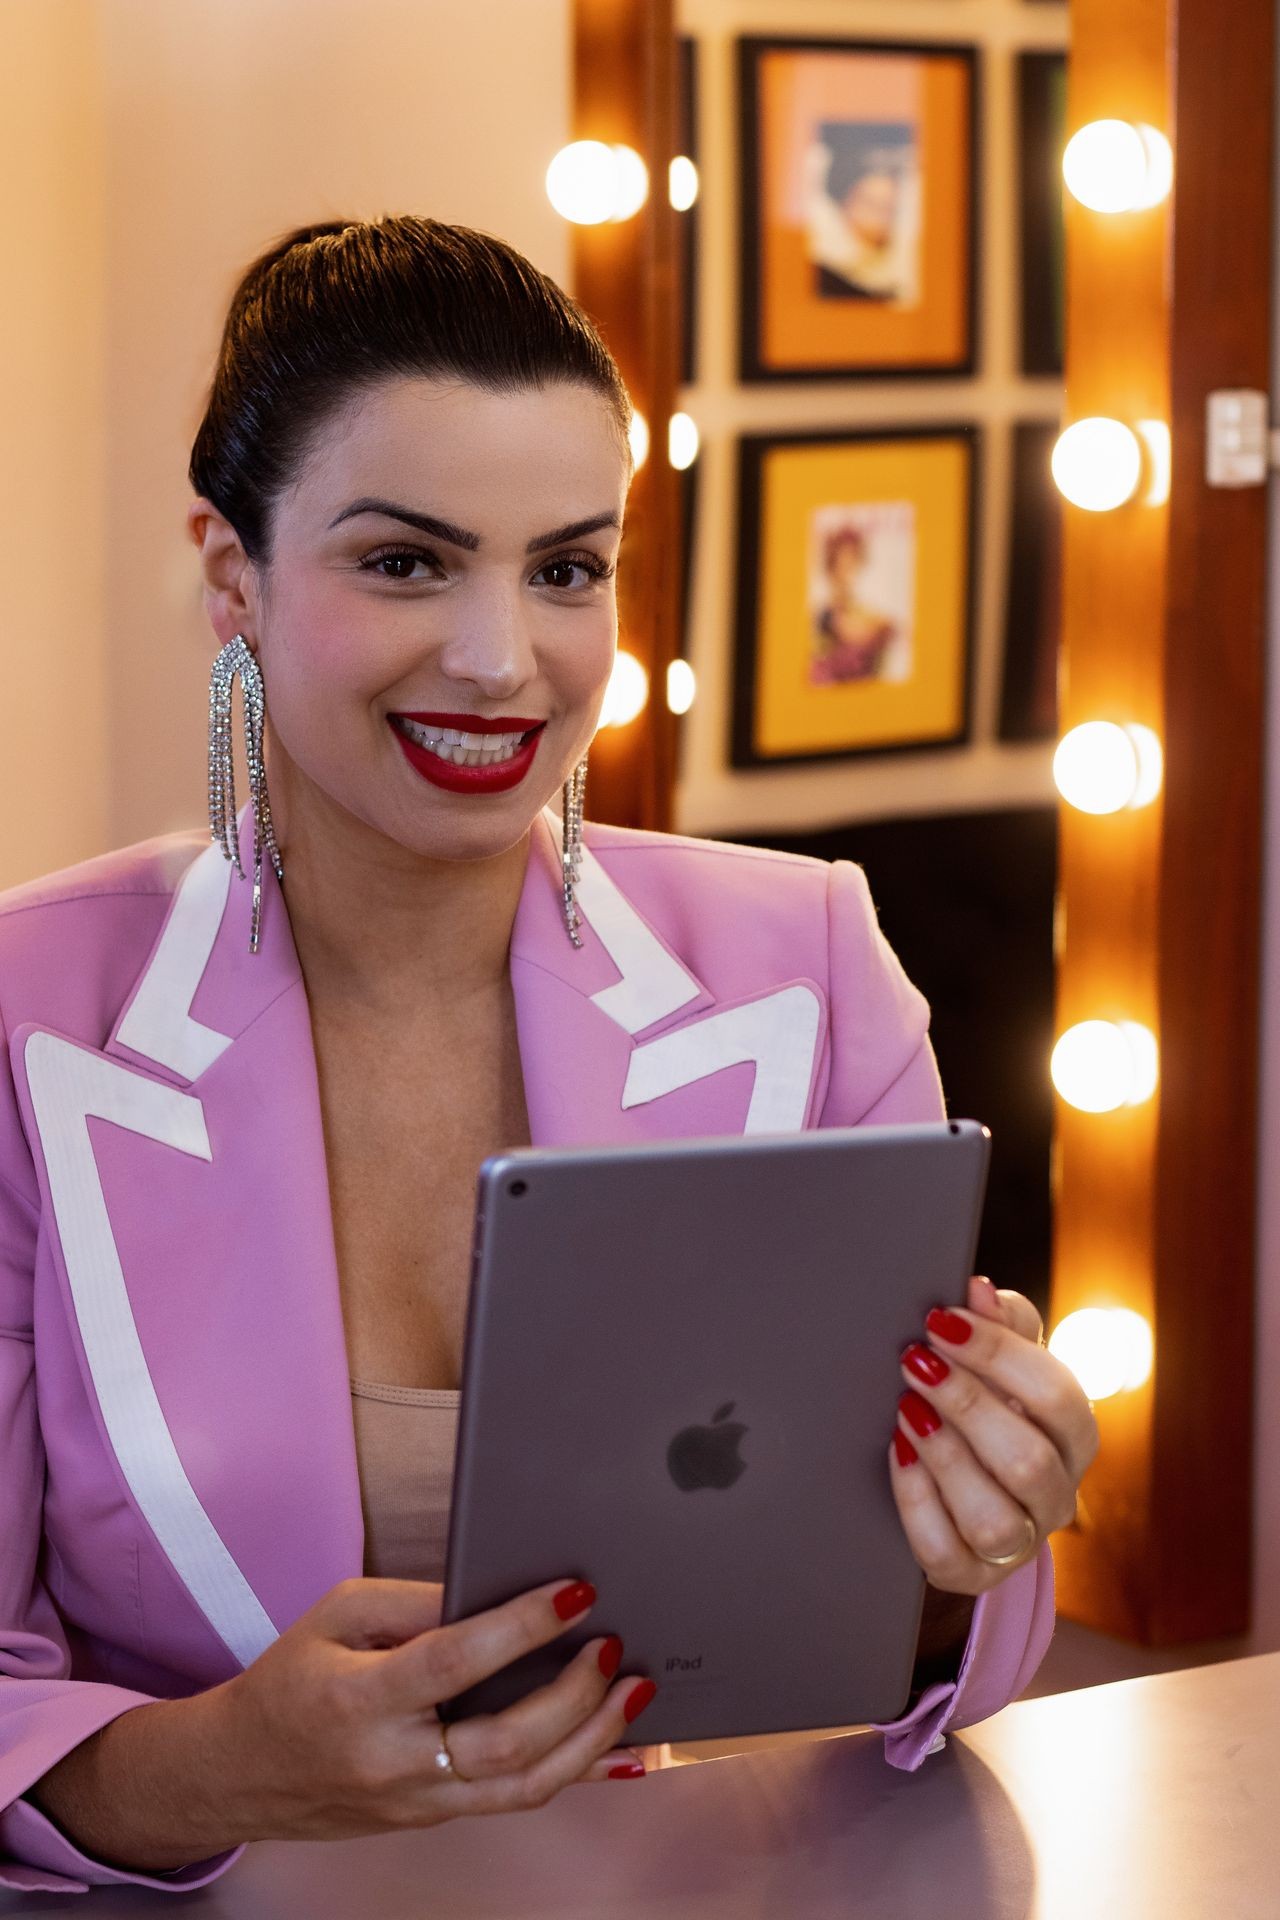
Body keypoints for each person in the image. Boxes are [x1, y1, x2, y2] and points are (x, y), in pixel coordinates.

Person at [0, 216, 1097, 1895]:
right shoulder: (27, 1013)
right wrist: (229, 1767)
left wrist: (980, 1534)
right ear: (232, 571)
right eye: (406, 562)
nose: (506, 661)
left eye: (567, 567)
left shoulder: (804, 964)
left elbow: (924, 1655)